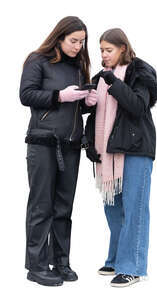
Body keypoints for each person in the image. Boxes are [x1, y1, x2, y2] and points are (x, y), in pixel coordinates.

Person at [19, 16, 98, 286]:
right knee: (42, 206)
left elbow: (74, 108)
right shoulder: (37, 60)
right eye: (73, 41)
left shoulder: (78, 67)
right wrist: (58, 95)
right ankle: (37, 265)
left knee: (64, 208)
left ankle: (61, 261)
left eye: (82, 42)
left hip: (71, 145)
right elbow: (26, 95)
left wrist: (87, 102)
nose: (78, 46)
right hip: (42, 143)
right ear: (60, 37)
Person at [85, 28, 157, 287]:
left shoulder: (141, 72)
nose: (104, 55)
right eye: (101, 50)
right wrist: (88, 143)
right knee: (113, 207)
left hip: (136, 149)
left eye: (109, 50)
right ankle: (117, 258)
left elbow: (138, 106)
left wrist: (114, 84)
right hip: (108, 154)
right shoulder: (101, 78)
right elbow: (95, 117)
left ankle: (133, 268)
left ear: (123, 49)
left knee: (135, 207)